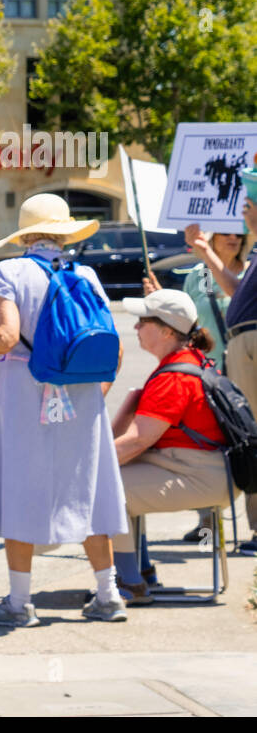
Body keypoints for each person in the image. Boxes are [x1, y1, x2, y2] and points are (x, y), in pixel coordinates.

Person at [0, 193, 128, 625]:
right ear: (63, 233)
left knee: (20, 486)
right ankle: (109, 594)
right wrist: (95, 392)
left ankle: (19, 603)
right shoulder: (86, 273)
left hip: (28, 389)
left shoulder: (12, 270)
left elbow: (5, 338)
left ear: (26, 233)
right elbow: (113, 351)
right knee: (88, 484)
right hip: (81, 392)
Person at [110, 290, 233, 603]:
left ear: (167, 331)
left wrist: (86, 467)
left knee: (105, 489)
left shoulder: (174, 376)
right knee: (119, 478)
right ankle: (142, 571)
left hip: (201, 476)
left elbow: (138, 440)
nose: (136, 327)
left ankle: (129, 583)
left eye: (143, 321)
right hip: (210, 471)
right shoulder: (186, 362)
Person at [142, 223, 247, 541]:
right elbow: (189, 325)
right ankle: (209, 524)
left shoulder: (250, 273)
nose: (233, 238)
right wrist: (162, 304)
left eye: (238, 233)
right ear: (212, 236)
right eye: (226, 232)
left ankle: (254, 526)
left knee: (247, 447)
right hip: (208, 377)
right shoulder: (195, 277)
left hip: (244, 371)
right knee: (207, 447)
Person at [194, 170, 257, 555]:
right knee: (251, 436)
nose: (245, 212)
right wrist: (205, 253)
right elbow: (235, 292)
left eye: (250, 204)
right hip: (242, 345)